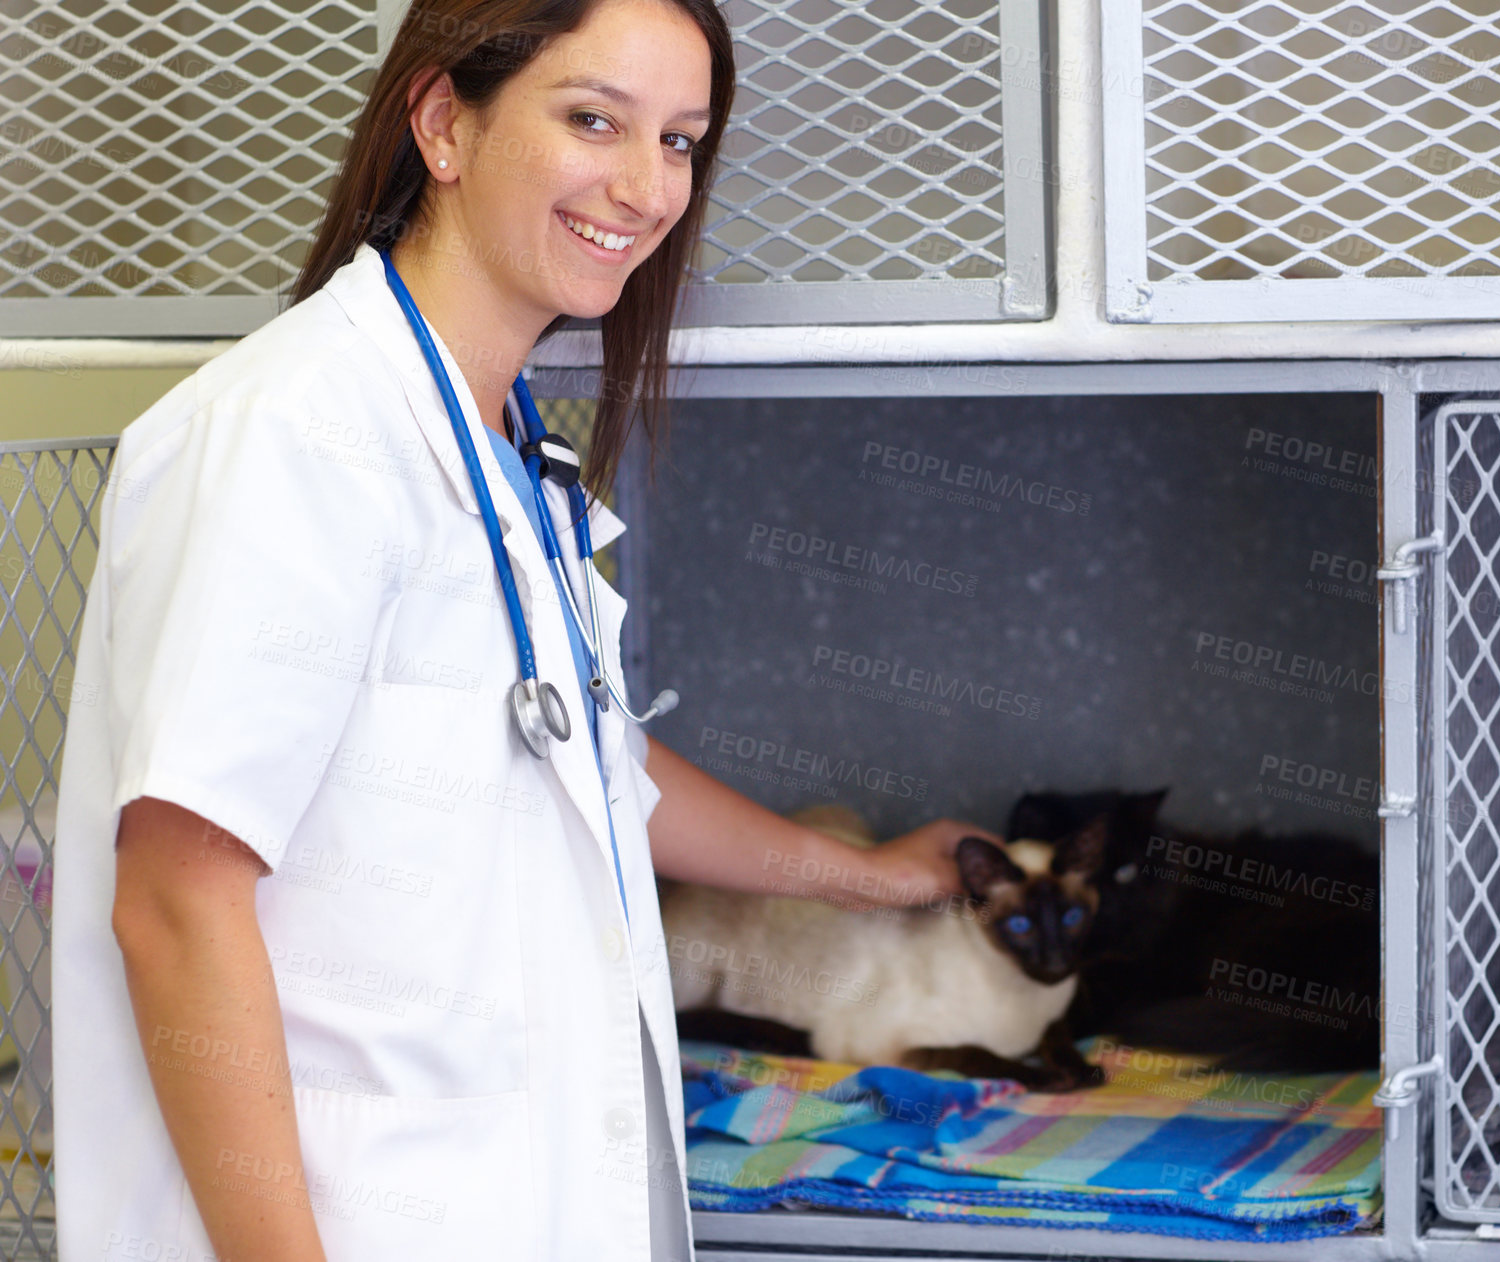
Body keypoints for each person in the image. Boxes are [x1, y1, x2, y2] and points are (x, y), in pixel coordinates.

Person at [51, 1, 1002, 1258]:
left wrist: (869, 876)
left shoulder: (505, 453)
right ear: (445, 122)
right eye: (593, 120)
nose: (644, 186)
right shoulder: (294, 436)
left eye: (679, 140)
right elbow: (177, 899)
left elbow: (578, 761)